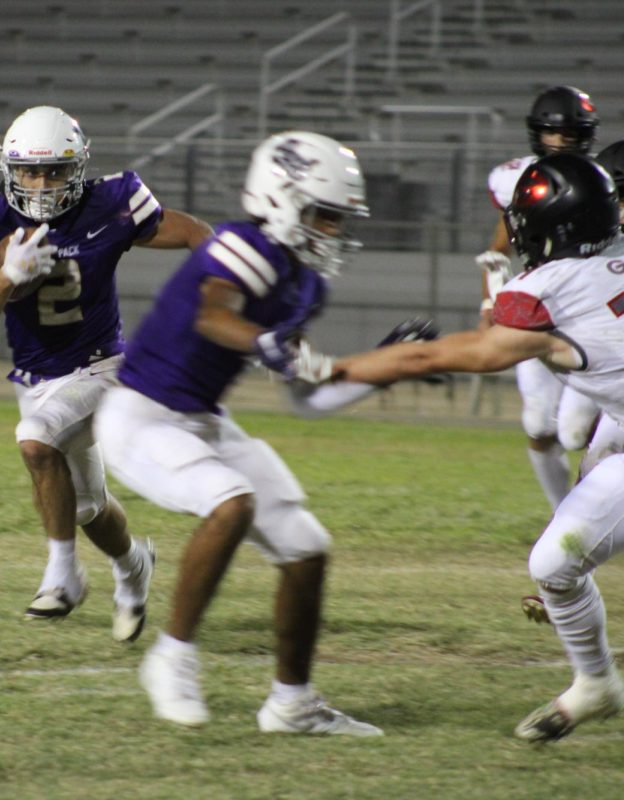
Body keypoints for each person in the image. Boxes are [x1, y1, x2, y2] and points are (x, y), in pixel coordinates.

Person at [93, 131, 399, 732]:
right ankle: (171, 658)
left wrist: (380, 369)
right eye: (324, 215)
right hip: (140, 413)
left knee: (306, 548)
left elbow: (309, 401)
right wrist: (269, 345)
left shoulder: (306, 283)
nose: (332, 231)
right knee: (231, 503)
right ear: (282, 199)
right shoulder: (244, 243)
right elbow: (213, 315)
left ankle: (293, 705)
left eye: (338, 218)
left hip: (203, 421)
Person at [335, 152, 624, 742]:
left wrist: (339, 369)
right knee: (553, 563)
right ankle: (596, 685)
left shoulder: (550, 289)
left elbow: (451, 354)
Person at [0, 105, 212, 643]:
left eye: (55, 171)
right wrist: (10, 275)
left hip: (106, 368)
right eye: (29, 170)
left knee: (34, 441)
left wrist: (212, 300)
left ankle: (62, 574)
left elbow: (194, 233)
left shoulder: (111, 203)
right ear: (9, 169)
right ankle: (132, 565)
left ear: (78, 168)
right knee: (89, 506)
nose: (41, 183)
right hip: (39, 379)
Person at [475, 86, 601, 512]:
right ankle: (562, 513)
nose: (561, 142)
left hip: (587, 309)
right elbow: (498, 250)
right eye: (553, 133)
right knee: (537, 421)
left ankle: (603, 496)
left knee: (573, 430)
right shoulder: (516, 179)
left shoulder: (601, 178)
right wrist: (489, 306)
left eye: (570, 134)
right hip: (537, 305)